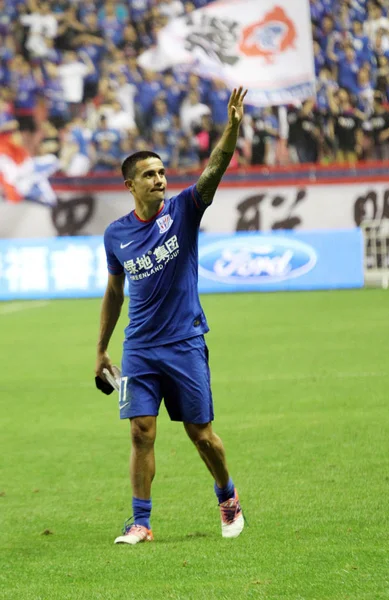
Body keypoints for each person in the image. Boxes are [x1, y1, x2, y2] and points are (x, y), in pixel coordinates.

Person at [95, 86, 248, 545]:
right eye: (150, 174)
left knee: (202, 436)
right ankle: (140, 521)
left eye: (162, 172)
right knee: (141, 433)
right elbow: (114, 290)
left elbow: (213, 170)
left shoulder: (183, 211)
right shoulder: (115, 235)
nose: (160, 179)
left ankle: (227, 496)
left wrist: (232, 129)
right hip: (139, 347)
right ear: (130, 185)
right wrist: (101, 348)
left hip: (184, 342)